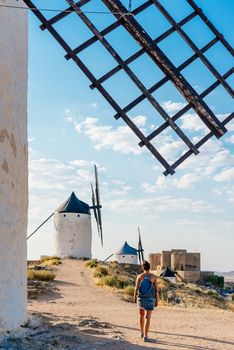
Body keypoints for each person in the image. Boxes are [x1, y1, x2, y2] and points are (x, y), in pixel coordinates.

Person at [134, 260, 158, 342]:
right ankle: (146, 336)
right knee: (148, 317)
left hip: (141, 298)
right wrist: (157, 300)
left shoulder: (140, 276)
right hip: (150, 298)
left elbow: (136, 288)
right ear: (149, 267)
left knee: (141, 315)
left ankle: (141, 332)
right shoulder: (153, 277)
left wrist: (134, 297)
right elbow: (156, 290)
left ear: (142, 267)